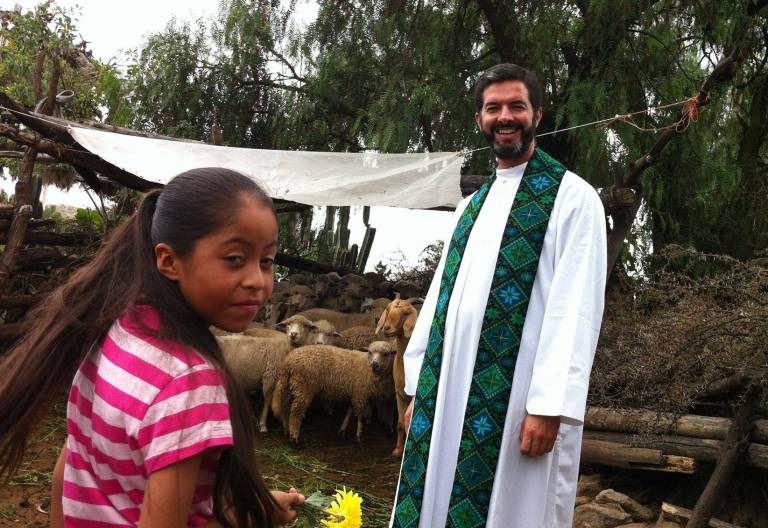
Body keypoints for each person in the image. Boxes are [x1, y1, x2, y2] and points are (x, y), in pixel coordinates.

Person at [0, 168, 305, 527]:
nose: (257, 280)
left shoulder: (117, 328)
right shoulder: (188, 384)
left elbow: (72, 463)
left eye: (266, 261)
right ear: (170, 261)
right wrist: (256, 516)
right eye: (235, 258)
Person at [390, 64, 607, 528]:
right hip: (444, 394)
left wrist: (549, 406)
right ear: (479, 119)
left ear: (537, 115)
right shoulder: (470, 207)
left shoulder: (572, 199)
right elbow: (440, 304)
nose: (504, 117)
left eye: (516, 106)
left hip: (518, 404)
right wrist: (418, 390)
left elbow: (576, 309)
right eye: (493, 108)